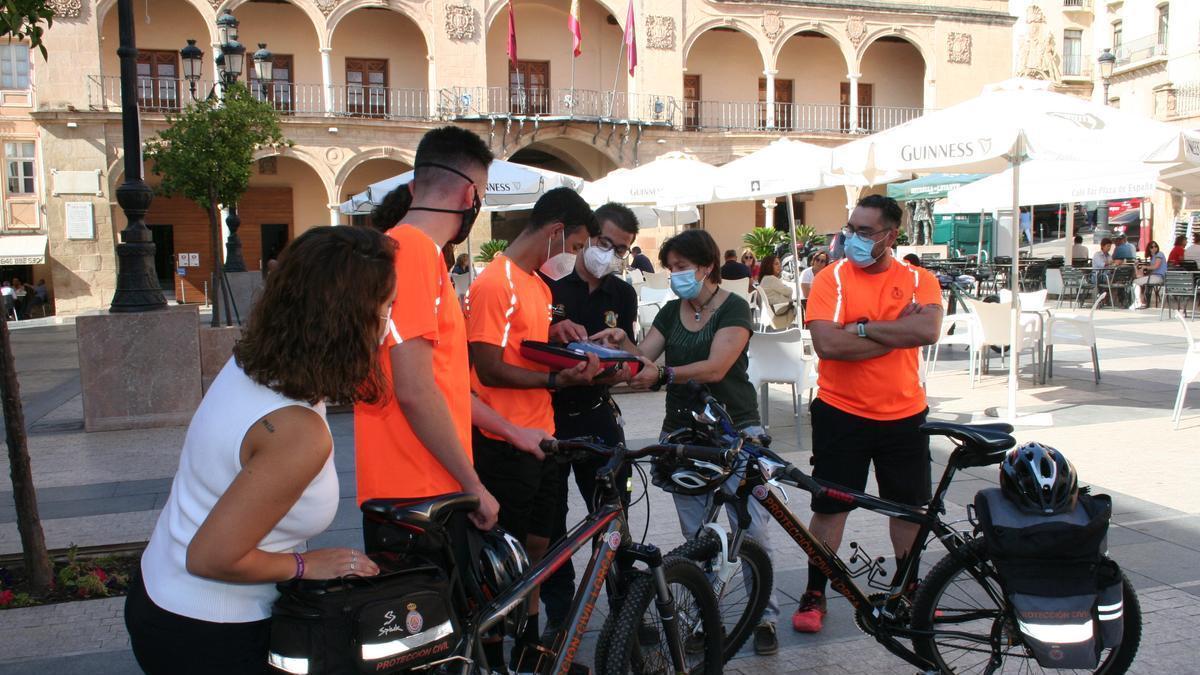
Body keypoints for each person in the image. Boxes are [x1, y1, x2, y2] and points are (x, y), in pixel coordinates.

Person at [126, 226, 392, 674]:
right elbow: (211, 556)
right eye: (386, 307)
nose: (390, 319)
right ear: (350, 322)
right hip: (210, 633)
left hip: (164, 593)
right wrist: (306, 565)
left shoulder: (260, 363)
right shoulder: (296, 431)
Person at [355, 126, 549, 546]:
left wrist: (513, 432)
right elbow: (416, 391)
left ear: (412, 186)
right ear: (469, 197)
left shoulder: (400, 250)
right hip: (422, 492)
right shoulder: (414, 252)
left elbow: (445, 386)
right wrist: (474, 485)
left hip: (414, 491)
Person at [595, 229, 781, 656]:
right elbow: (647, 357)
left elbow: (716, 368)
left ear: (706, 266)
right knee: (697, 536)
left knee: (752, 528)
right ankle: (703, 617)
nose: (675, 275)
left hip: (735, 432)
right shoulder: (671, 310)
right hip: (683, 435)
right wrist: (622, 346)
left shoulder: (733, 308)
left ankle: (764, 617)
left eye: (681, 268)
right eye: (671, 268)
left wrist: (665, 375)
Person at [793, 195, 942, 634]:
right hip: (841, 412)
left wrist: (858, 327)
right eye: (850, 228)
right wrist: (896, 331)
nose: (850, 238)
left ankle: (909, 587)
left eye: (863, 231)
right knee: (831, 507)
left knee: (908, 508)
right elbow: (828, 345)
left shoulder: (919, 278)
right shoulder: (830, 279)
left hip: (905, 414)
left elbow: (928, 330)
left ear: (890, 236)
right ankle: (815, 590)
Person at [466, 186, 602, 667]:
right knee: (504, 557)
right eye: (574, 245)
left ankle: (530, 642)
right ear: (554, 231)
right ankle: (494, 652)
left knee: (539, 548)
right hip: (503, 438)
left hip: (544, 437)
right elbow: (487, 367)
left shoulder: (538, 285)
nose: (573, 256)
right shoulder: (493, 282)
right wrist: (555, 377)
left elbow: (522, 343)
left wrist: (556, 337)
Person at [540, 202, 640, 639]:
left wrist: (622, 350)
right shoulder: (549, 286)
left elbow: (634, 363)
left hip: (598, 415)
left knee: (613, 515)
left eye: (619, 249)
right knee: (549, 524)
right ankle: (560, 617)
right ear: (587, 236)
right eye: (603, 243)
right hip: (549, 417)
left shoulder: (623, 294)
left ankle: (626, 611)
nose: (609, 253)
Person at [757, 254, 796, 330]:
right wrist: (787, 288)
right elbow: (788, 291)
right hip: (780, 311)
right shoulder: (771, 279)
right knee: (800, 305)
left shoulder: (765, 279)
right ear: (769, 266)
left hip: (773, 311)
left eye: (779, 264)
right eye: (776, 264)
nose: (779, 266)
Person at [1131, 240, 1167, 310]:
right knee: (1139, 280)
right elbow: (1151, 270)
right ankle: (1143, 301)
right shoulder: (1153, 257)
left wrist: (1145, 267)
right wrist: (1138, 268)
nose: (1154, 248)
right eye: (1152, 247)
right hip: (1155, 276)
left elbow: (1156, 266)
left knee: (1135, 282)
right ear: (1149, 249)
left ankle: (1140, 302)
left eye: (1155, 246)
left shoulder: (1159, 254)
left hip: (1159, 277)